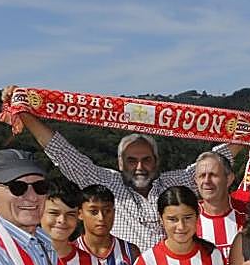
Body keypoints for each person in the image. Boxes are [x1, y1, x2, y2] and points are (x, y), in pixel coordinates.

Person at [10, 97, 197, 251]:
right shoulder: (107, 182)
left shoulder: (174, 183)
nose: (140, 167)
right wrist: (23, 109)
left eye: (146, 159)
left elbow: (215, 165)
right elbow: (63, 153)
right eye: (131, 160)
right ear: (120, 163)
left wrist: (227, 124)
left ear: (156, 161)